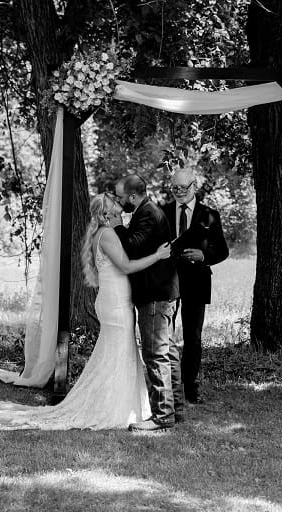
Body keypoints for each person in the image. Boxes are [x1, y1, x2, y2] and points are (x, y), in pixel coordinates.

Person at [0, 193, 170, 430]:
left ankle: (123, 404)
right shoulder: (109, 234)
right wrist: (158, 257)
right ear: (105, 215)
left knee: (117, 354)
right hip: (114, 303)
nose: (121, 215)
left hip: (114, 300)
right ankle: (114, 407)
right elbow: (125, 267)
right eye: (116, 212)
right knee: (118, 353)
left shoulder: (102, 233)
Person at [114, 174, 181, 431]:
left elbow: (131, 246)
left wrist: (118, 225)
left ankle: (162, 416)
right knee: (168, 352)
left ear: (132, 196)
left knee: (156, 355)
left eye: (121, 197)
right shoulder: (150, 211)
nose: (120, 202)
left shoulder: (147, 214)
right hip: (163, 292)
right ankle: (176, 411)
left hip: (155, 294)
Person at [163, 169, 229, 405]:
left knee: (193, 337)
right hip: (168, 278)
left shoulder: (209, 215)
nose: (179, 192)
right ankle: (167, 384)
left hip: (197, 280)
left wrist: (204, 255)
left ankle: (190, 386)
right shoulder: (163, 211)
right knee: (165, 334)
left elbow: (223, 250)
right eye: (175, 188)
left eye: (183, 187)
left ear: (194, 185)